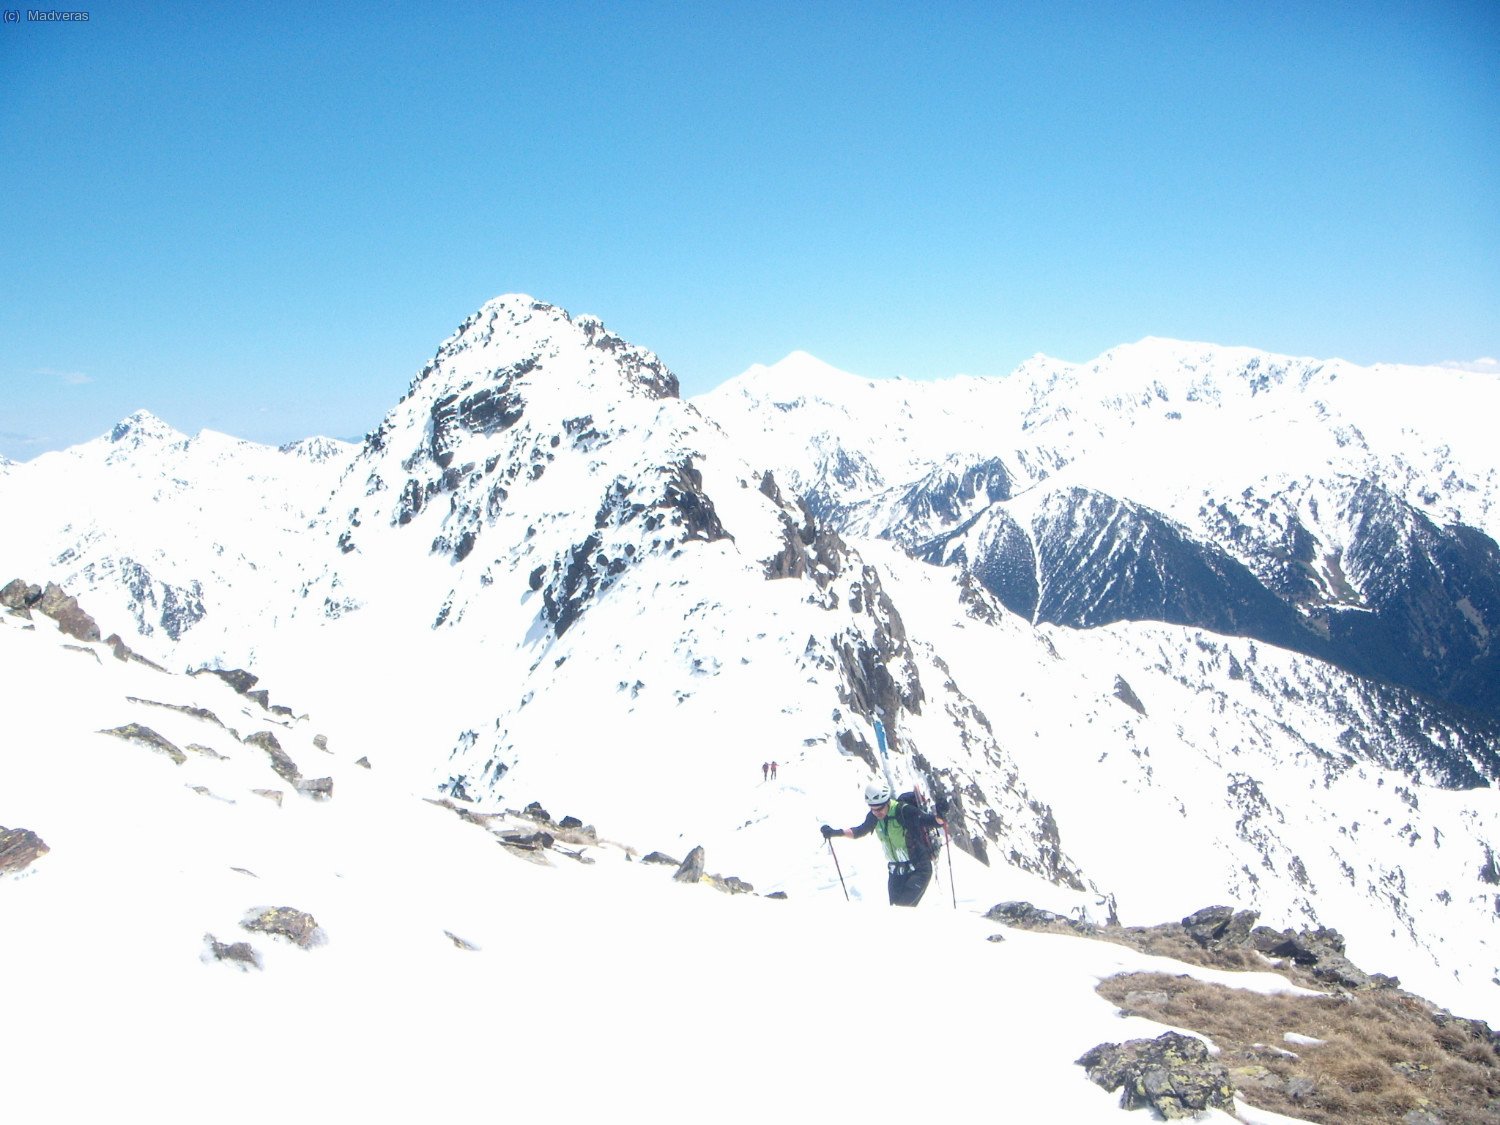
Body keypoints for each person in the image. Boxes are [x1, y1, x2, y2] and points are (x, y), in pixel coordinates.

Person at [821, 780, 945, 906]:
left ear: (887, 802)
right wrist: (835, 832)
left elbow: (930, 821)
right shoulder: (874, 816)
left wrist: (941, 815)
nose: (876, 813)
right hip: (896, 872)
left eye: (879, 809)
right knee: (895, 912)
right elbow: (860, 831)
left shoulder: (903, 811)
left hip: (919, 869)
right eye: (872, 809)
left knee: (902, 910)